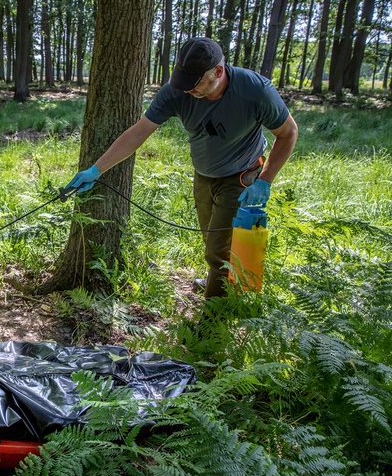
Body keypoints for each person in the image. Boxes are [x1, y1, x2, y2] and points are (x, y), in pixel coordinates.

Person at [67, 37, 298, 299]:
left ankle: (213, 326)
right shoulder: (178, 90)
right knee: (212, 242)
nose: (188, 90)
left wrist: (265, 181)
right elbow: (138, 133)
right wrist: (96, 170)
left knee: (219, 253)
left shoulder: (255, 90)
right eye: (184, 83)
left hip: (243, 177)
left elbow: (289, 132)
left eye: (196, 83)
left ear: (218, 72)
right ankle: (223, 283)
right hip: (205, 175)